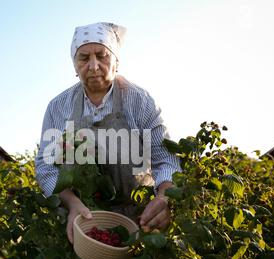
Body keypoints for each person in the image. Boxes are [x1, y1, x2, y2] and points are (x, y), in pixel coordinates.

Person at [35, 22, 181, 244]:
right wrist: (72, 203)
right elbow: (46, 167)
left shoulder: (139, 102)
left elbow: (166, 159)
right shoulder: (58, 107)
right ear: (75, 66)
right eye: (84, 58)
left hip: (140, 218)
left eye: (102, 56)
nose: (93, 66)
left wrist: (163, 197)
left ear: (116, 62)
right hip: (82, 220)